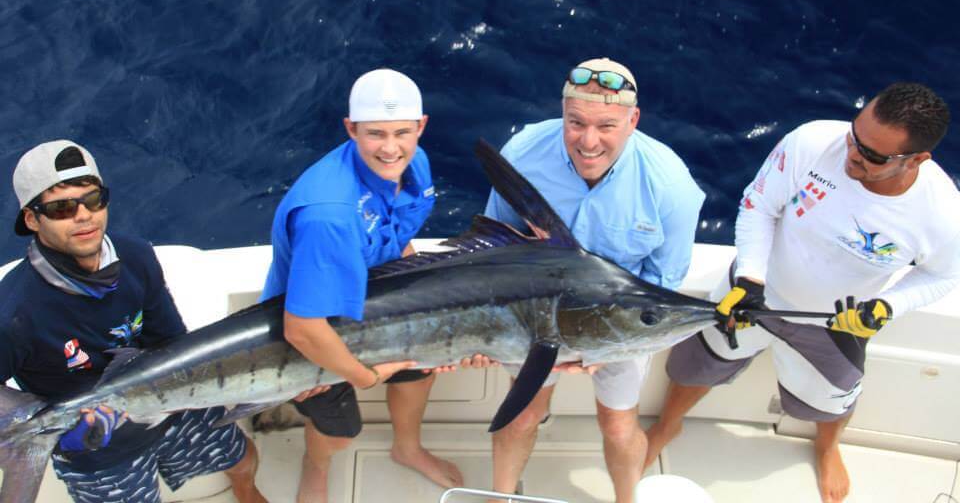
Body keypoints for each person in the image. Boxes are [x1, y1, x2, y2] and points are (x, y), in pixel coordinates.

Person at [644, 82, 960, 503]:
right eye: (854, 136)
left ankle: (827, 447)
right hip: (754, 295)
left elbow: (941, 277)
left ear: (917, 159)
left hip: (835, 322)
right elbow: (758, 205)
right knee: (693, 365)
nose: (852, 154)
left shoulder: (941, 214)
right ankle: (668, 425)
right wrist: (751, 279)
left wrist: (886, 307)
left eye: (873, 155)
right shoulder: (811, 141)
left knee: (833, 401)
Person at [482, 57, 705, 503]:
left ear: (633, 120)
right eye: (575, 122)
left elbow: (661, 286)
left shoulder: (671, 186)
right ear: (562, 113)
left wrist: (605, 349)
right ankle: (499, 497)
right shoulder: (524, 152)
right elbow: (494, 249)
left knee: (619, 424)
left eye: (606, 125)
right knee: (523, 416)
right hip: (535, 316)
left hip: (621, 330)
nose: (588, 141)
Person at [0, 140, 265, 503]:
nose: (83, 215)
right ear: (32, 219)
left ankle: (245, 490)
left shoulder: (136, 256)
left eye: (93, 199)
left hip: (172, 405)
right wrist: (66, 434)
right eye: (61, 208)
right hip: (99, 453)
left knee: (242, 456)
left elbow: (171, 340)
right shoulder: (13, 314)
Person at [260, 68, 464, 503]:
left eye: (401, 133)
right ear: (351, 129)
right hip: (311, 323)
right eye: (375, 134)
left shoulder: (413, 164)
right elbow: (302, 327)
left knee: (420, 366)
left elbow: (398, 235)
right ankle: (316, 464)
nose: (390, 148)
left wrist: (420, 316)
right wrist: (364, 375)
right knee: (340, 431)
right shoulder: (328, 214)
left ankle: (407, 447)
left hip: (372, 298)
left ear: (420, 127)